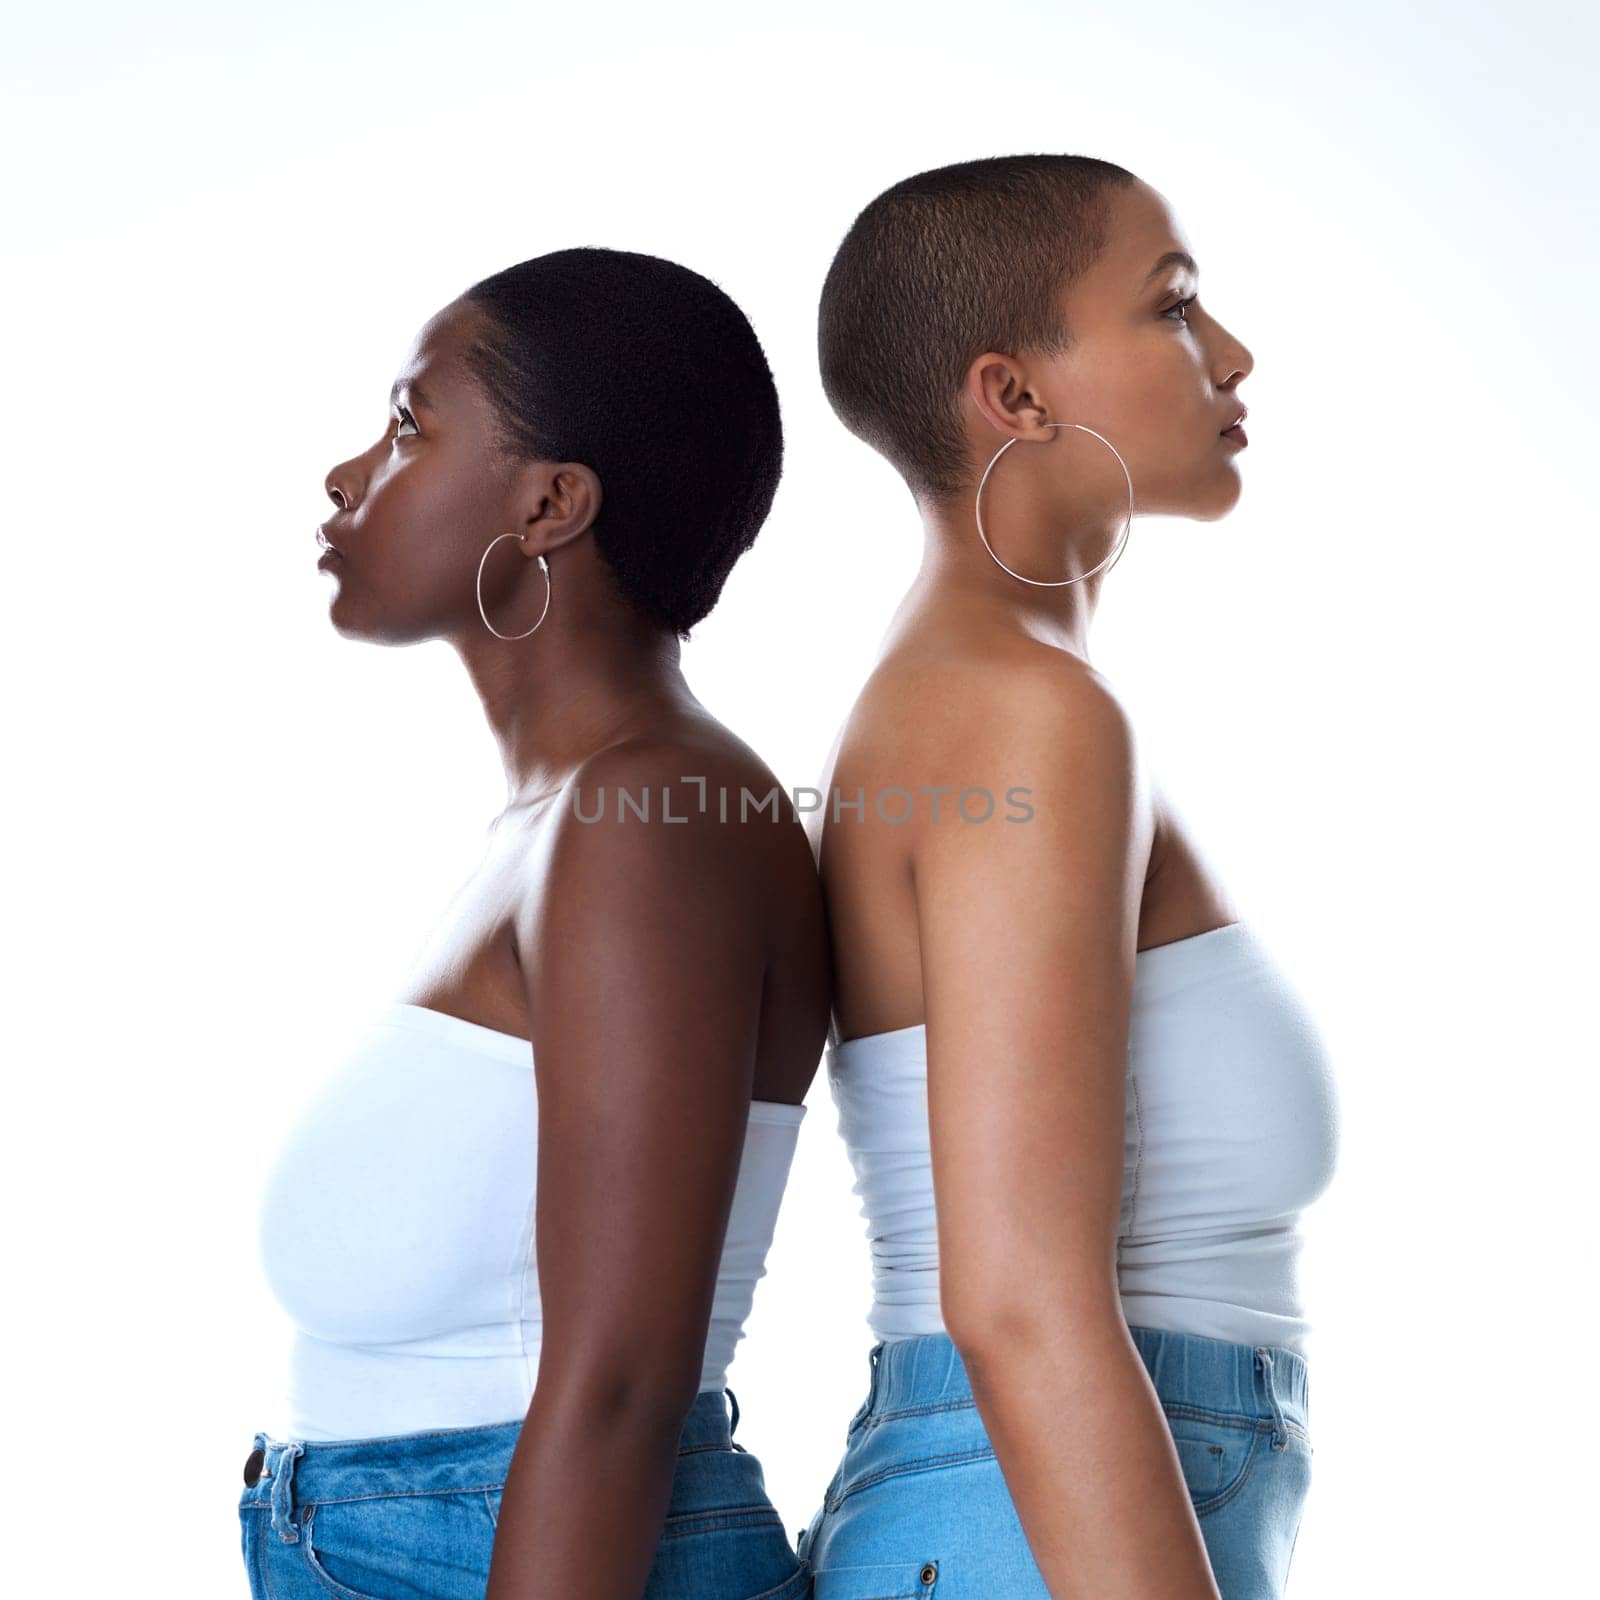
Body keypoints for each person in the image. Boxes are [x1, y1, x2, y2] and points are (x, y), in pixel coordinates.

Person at [238, 247, 829, 1600]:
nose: (347, 476)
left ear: (552, 503)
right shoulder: (571, 821)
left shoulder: (654, 815)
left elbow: (619, 1382)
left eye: (406, 425)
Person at [795, 156, 1341, 1599]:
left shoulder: (991, 691)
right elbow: (1019, 1302)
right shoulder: (1024, 708)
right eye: (1172, 307)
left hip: (1012, 1510)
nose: (1231, 352)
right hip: (1030, 1522)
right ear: (1015, 396)